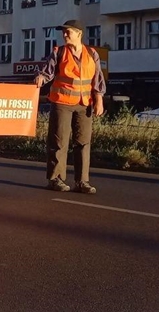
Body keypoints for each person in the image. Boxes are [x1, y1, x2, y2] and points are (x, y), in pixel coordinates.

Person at [35, 19, 106, 195]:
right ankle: (55, 179)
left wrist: (99, 99)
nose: (65, 35)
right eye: (63, 32)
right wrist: (41, 79)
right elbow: (47, 72)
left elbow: (97, 79)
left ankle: (82, 182)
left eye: (68, 32)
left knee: (83, 143)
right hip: (62, 103)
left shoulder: (92, 54)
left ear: (79, 34)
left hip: (84, 104)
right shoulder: (58, 52)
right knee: (59, 142)